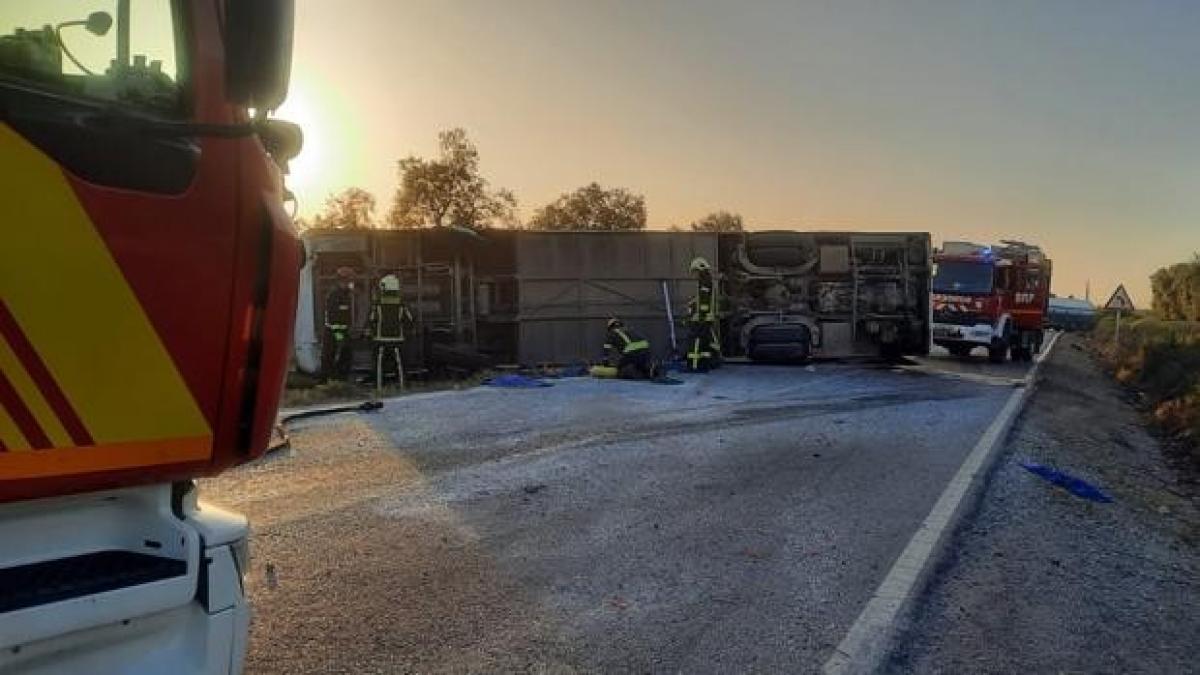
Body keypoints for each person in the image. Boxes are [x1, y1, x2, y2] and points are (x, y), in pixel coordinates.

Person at [369, 273, 414, 390]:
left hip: (380, 340)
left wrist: (371, 333)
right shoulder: (401, 305)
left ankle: (378, 388)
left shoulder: (377, 305)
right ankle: (403, 386)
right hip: (397, 339)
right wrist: (407, 333)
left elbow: (372, 320)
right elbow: (409, 320)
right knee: (400, 366)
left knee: (379, 366)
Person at [685, 256, 722, 371]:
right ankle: (705, 364)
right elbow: (703, 299)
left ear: (699, 269)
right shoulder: (707, 280)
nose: (694, 274)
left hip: (702, 318)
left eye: (695, 271)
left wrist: (701, 316)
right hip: (706, 317)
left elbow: (704, 301)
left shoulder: (704, 281)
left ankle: (694, 365)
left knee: (696, 341)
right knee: (706, 343)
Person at [322, 268, 356, 380]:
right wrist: (339, 336)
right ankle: (329, 380)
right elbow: (334, 318)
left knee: (346, 354)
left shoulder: (345, 294)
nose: (351, 283)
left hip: (341, 331)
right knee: (330, 356)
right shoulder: (335, 295)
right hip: (333, 332)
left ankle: (340, 379)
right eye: (349, 281)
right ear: (342, 281)